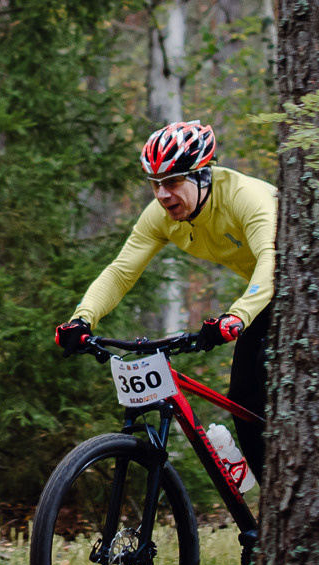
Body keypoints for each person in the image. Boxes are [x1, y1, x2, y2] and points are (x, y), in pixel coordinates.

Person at [54, 120, 276, 490]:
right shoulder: (160, 216)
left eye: (172, 182)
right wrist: (82, 319)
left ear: (202, 175)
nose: (162, 194)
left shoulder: (244, 197)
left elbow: (271, 258)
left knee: (266, 376)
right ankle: (277, 499)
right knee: (243, 399)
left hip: (305, 285)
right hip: (267, 295)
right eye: (155, 183)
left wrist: (236, 316)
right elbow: (121, 272)